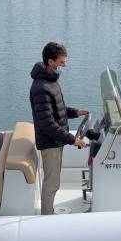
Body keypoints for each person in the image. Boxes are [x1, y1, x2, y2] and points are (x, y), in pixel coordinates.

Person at [30, 42, 88, 215]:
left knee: (53, 182)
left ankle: (48, 214)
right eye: (62, 63)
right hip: (50, 143)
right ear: (50, 62)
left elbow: (58, 110)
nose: (65, 66)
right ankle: (46, 218)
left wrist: (75, 112)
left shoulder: (51, 81)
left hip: (56, 140)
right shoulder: (41, 88)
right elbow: (47, 123)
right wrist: (72, 139)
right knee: (52, 183)